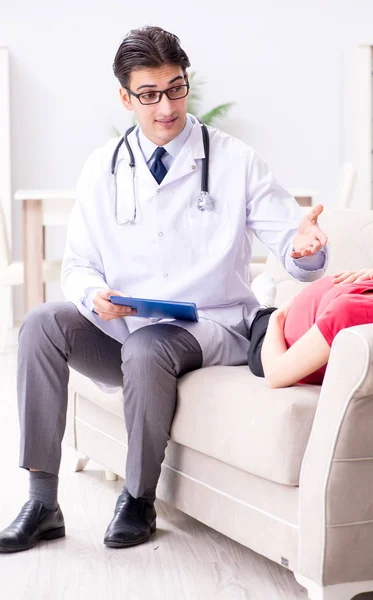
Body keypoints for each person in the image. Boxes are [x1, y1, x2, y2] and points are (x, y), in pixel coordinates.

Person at [0, 25, 328, 553]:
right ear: (125, 97)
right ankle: (41, 502)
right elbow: (78, 265)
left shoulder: (235, 160)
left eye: (175, 89)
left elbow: (296, 244)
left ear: (186, 82)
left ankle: (138, 498)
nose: (166, 108)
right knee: (41, 323)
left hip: (212, 327)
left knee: (147, 345)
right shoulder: (101, 169)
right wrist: (94, 296)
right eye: (149, 95)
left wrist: (307, 250)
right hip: (130, 329)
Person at [248, 209, 373, 389]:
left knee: (258, 321)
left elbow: (274, 375)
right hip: (308, 314)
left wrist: (277, 317)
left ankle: (264, 304)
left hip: (280, 340)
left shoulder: (350, 314)